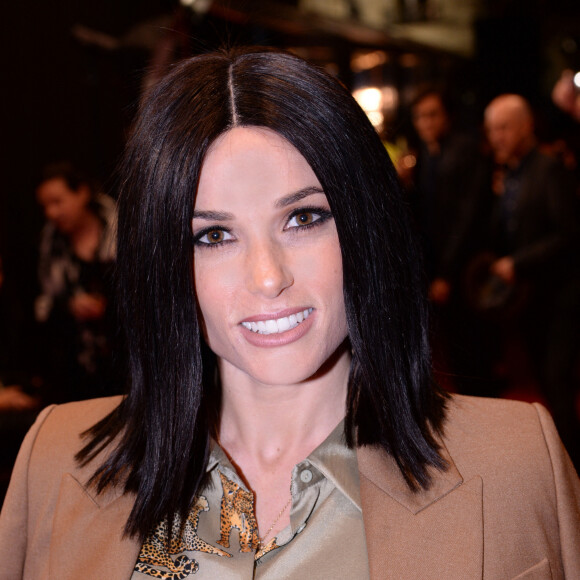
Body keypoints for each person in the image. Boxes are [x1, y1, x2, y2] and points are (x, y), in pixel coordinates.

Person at [0, 47, 579, 579]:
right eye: (215, 235)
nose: (268, 277)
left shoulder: (516, 463)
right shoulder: (52, 463)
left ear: (364, 226)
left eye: (303, 218)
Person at [484, 94, 580, 468]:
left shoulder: (548, 168)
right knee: (543, 378)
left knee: (556, 378)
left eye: (504, 127)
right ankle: (559, 458)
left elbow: (568, 234)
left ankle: (572, 463)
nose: (497, 137)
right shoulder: (510, 172)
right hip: (530, 298)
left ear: (526, 126)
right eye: (492, 129)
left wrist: (517, 262)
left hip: (562, 294)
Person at [34, 162, 122, 402]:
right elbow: (42, 309)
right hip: (74, 375)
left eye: (57, 202)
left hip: (127, 368)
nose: (51, 213)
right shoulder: (50, 245)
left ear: (82, 193)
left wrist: (109, 307)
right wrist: (69, 306)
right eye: (45, 206)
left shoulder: (125, 232)